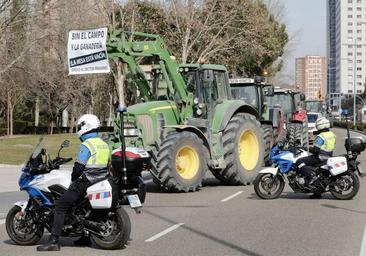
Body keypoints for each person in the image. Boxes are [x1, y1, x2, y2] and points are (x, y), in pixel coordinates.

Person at [37, 114, 110, 251]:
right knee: (84, 209)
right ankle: (85, 237)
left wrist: (73, 181)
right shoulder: (104, 144)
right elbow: (107, 165)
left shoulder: (87, 144)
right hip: (101, 180)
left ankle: (54, 241)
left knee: (60, 205)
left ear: (85, 127)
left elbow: (78, 168)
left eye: (80, 126)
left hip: (87, 181)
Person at [296, 117, 336, 199]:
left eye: (317, 126)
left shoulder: (321, 136)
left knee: (299, 161)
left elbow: (315, 150)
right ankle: (317, 193)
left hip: (320, 157)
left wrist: (307, 148)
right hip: (328, 157)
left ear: (320, 126)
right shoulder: (332, 134)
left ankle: (310, 175)